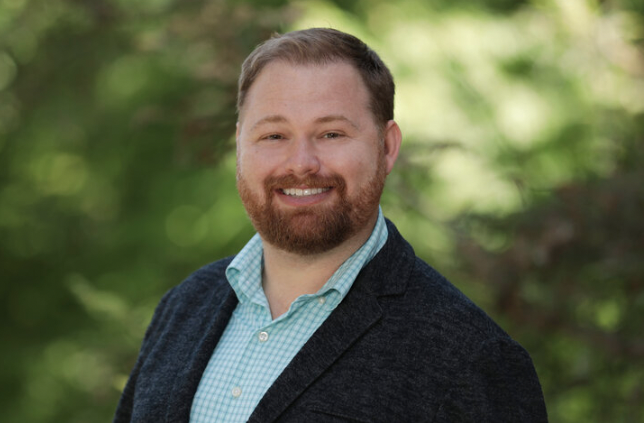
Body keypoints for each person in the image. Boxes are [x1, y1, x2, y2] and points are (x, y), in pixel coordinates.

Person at [114, 28, 547, 422]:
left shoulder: (470, 358)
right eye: (274, 136)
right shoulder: (184, 306)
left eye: (332, 134)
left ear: (387, 146)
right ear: (240, 146)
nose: (302, 163)